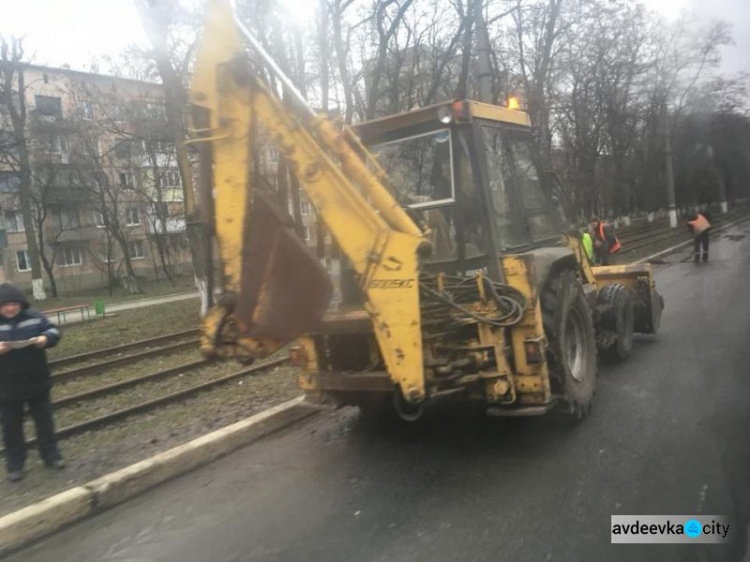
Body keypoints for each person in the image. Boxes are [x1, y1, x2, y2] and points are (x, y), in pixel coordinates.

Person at [0, 283, 64, 482]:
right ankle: (15, 464)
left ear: (21, 304)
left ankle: (51, 455)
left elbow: (54, 331)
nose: (10, 308)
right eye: (5, 305)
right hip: (6, 387)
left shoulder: (35, 317)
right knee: (11, 428)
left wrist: (45, 339)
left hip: (37, 382)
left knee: (44, 422)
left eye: (13, 304)